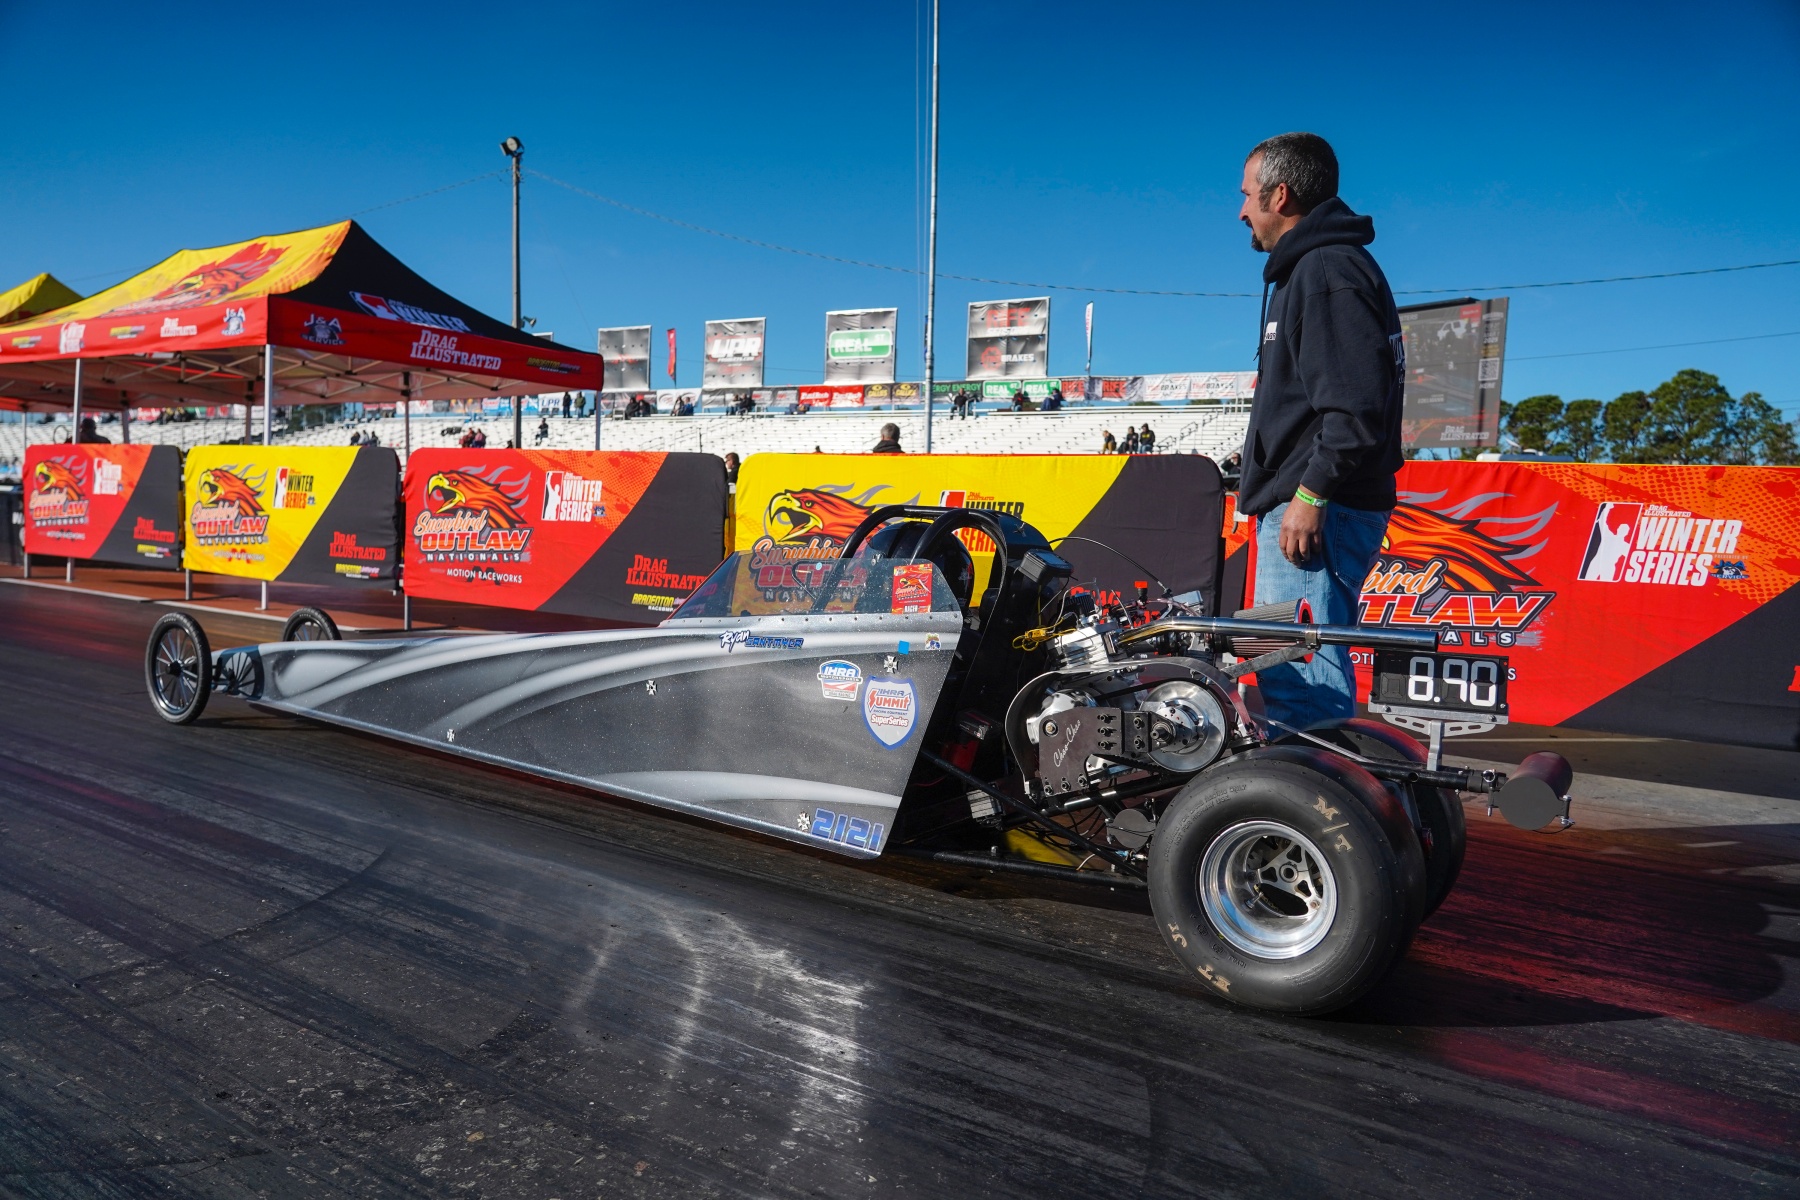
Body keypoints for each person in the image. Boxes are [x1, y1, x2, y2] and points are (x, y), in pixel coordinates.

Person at [1235, 131, 1405, 732]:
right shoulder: (1314, 269)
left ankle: (1314, 792)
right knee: (1284, 673)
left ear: (1280, 195)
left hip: (1316, 507)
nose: (1241, 211)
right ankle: (1306, 783)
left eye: (1247, 195)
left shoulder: (1326, 269)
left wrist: (1309, 495)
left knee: (1302, 686)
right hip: (1307, 503)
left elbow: (1355, 408)